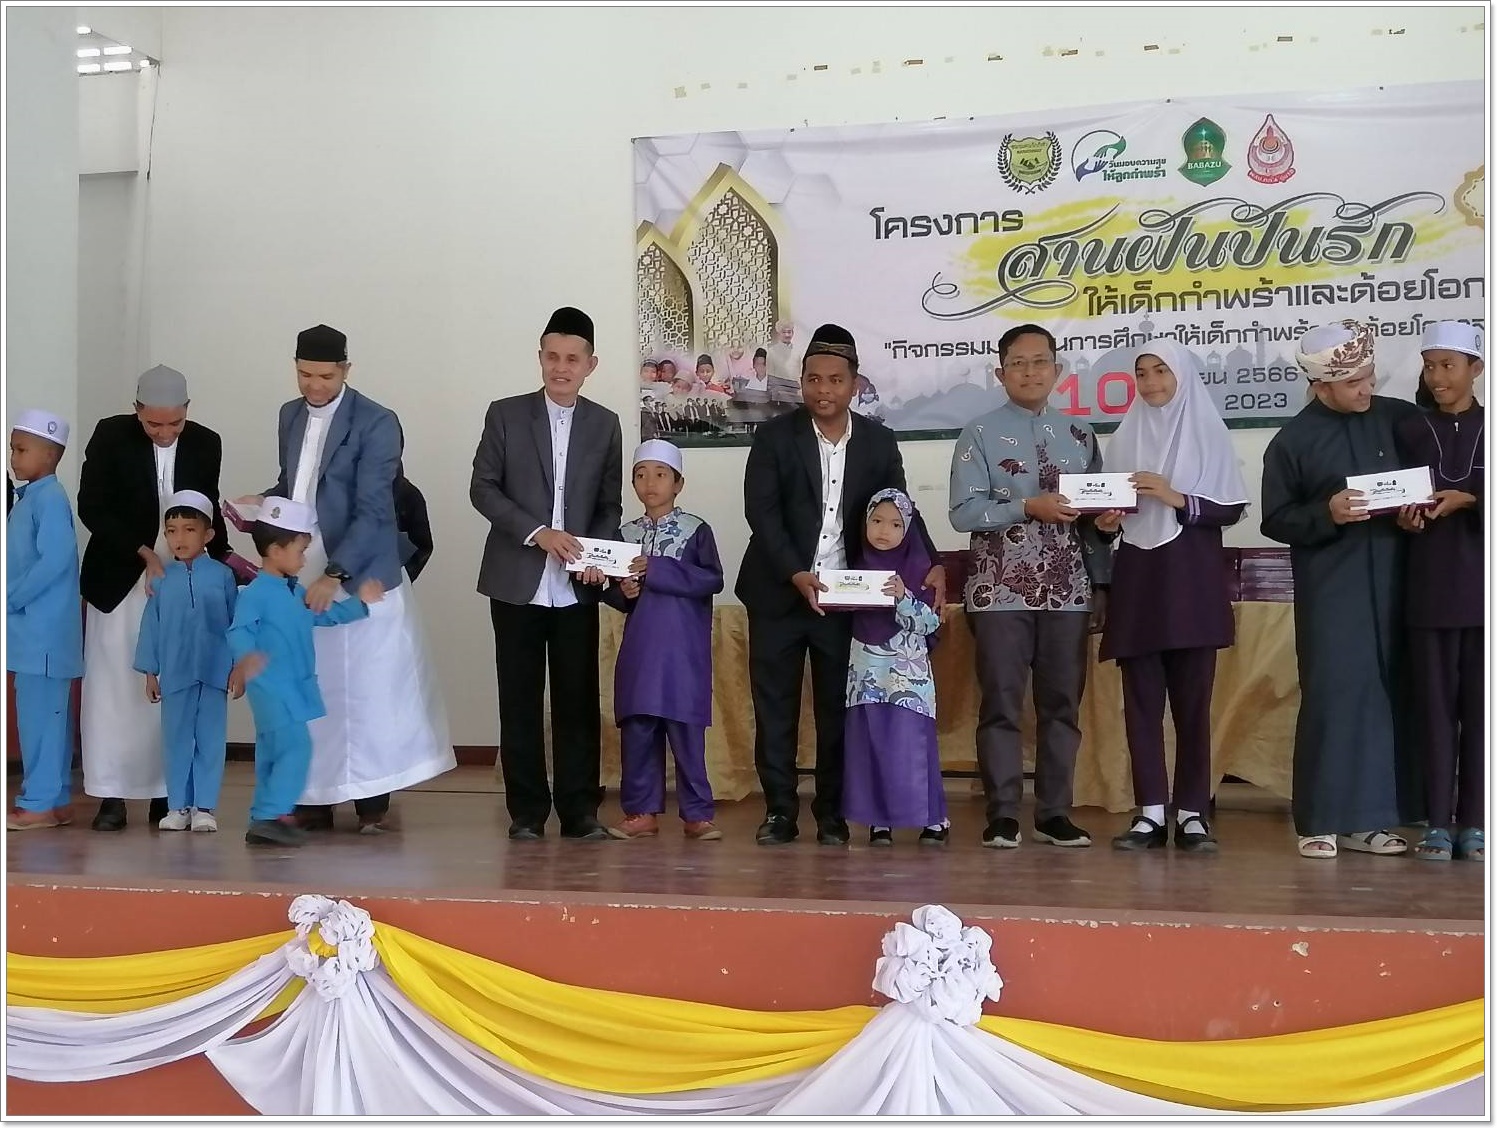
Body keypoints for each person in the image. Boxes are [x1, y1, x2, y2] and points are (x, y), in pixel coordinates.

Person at [238, 324, 454, 835]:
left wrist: (336, 574)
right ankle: (313, 794)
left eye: (325, 376)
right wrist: (263, 502)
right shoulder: (289, 415)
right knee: (310, 683)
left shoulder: (378, 421)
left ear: (346, 371)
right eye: (304, 374)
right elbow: (298, 485)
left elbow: (374, 507)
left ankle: (372, 800)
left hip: (357, 567)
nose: (314, 386)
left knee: (367, 690)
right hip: (303, 561)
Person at [737, 322, 946, 847]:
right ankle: (780, 812)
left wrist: (934, 562)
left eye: (835, 379)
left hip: (846, 600)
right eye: (813, 379)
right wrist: (796, 572)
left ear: (854, 384)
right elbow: (761, 513)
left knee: (837, 711)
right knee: (775, 709)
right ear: (801, 382)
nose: (823, 390)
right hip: (779, 593)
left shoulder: (878, 441)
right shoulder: (775, 436)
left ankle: (831, 814)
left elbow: (899, 506)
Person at [1261, 319, 1424, 859]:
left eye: (1368, 376)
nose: (1366, 388)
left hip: (1398, 580)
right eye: (1353, 382)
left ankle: (1372, 821)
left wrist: (1416, 516)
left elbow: (1429, 486)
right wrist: (1326, 513)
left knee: (1386, 696)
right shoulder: (1293, 441)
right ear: (1321, 386)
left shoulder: (1399, 419)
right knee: (1334, 696)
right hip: (1333, 588)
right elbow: (1276, 519)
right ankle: (1320, 820)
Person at [948, 323, 1111, 850]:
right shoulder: (978, 433)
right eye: (1017, 363)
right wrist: (1026, 506)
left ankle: (1054, 813)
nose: (1030, 372)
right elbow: (963, 512)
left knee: (1062, 705)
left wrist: (1107, 529)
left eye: (1040, 361)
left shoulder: (1081, 435)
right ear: (1000, 373)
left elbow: (1095, 513)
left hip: (1068, 589)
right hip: (999, 590)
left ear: (1057, 370)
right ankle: (1001, 814)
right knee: (1001, 703)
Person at [469, 306, 624, 842]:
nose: (561, 368)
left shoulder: (605, 423)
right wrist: (538, 533)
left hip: (576, 586)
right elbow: (483, 488)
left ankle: (580, 812)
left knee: (577, 701)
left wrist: (594, 556)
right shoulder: (505, 414)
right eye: (553, 357)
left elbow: (608, 504)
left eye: (572, 359)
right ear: (540, 358)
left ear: (590, 365)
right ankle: (527, 813)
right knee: (519, 699)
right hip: (516, 581)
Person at [1096, 341, 1250, 853]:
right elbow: (1105, 515)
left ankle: (1192, 813)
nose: (1151, 382)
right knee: (1140, 705)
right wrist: (1105, 522)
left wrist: (1174, 496)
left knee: (1192, 707)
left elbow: (1230, 508)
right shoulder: (1124, 438)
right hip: (1139, 581)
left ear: (1182, 375)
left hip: (1191, 583)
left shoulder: (1209, 431)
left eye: (1161, 371)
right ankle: (1150, 813)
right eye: (1142, 373)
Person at [77, 365, 230, 832]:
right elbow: (92, 505)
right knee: (115, 687)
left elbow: (207, 508)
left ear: (188, 410)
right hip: (121, 578)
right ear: (136, 410)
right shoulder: (110, 435)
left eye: (175, 423)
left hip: (183, 579)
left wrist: (225, 563)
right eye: (153, 424)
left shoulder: (206, 442)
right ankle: (112, 795)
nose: (165, 433)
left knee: (173, 686)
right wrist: (145, 554)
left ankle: (170, 794)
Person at [228, 499, 383, 847]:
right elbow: (238, 631)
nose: (303, 559)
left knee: (274, 752)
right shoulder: (255, 594)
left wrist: (361, 603)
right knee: (295, 748)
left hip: (292, 686)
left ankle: (264, 818)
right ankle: (273, 813)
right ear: (275, 551)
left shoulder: (295, 592)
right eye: (300, 551)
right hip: (271, 687)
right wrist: (246, 657)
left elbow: (326, 615)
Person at [596, 439, 724, 841]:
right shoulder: (624, 534)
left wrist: (657, 568)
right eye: (640, 474)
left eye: (660, 474)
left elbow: (711, 579)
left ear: (678, 483)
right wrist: (623, 592)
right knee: (639, 730)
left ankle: (698, 815)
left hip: (683, 651)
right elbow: (613, 591)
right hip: (641, 650)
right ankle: (640, 813)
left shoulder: (696, 530)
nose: (650, 482)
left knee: (686, 735)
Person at [1394, 321, 1484, 863]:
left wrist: (1470, 500)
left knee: (1480, 713)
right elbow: (1391, 501)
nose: (1437, 376)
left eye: (1448, 365)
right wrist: (1404, 518)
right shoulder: (1409, 430)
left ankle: (1475, 822)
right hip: (1427, 593)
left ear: (1476, 368)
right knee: (1432, 712)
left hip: (1482, 595)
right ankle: (1435, 823)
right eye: (1429, 366)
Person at [132, 490, 242, 832]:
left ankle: (204, 808)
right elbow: (152, 625)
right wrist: (150, 672)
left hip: (214, 673)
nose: (179, 538)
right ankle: (178, 806)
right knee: (176, 741)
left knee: (210, 741)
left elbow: (235, 624)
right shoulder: (162, 579)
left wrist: (238, 667)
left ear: (208, 535)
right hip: (175, 674)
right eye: (172, 531)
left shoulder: (223, 576)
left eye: (189, 529)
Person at [842, 489, 946, 847]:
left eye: (895, 524)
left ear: (909, 529)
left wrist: (902, 596)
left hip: (907, 676)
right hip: (865, 675)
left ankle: (933, 819)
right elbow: (840, 607)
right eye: (876, 520)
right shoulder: (855, 568)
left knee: (912, 745)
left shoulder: (921, 569)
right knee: (872, 744)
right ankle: (879, 821)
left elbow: (930, 623)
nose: (883, 530)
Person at [6, 410, 83, 831]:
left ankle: (37, 802)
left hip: (44, 636)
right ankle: (54, 800)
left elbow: (56, 559)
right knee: (49, 720)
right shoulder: (31, 499)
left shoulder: (49, 499)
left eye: (21, 449)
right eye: (12, 449)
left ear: (50, 455)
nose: (13, 458)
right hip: (33, 634)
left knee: (39, 721)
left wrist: (11, 598)